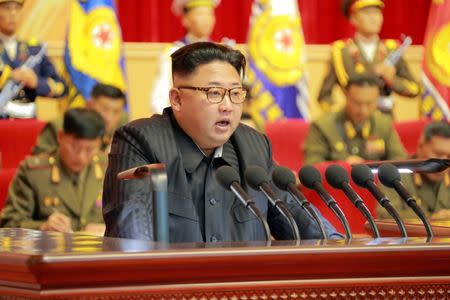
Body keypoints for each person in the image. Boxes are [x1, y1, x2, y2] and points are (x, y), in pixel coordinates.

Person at [103, 42, 341, 242]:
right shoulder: (140, 142)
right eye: (214, 93)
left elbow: (307, 227)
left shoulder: (254, 146)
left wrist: (339, 247)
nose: (227, 106)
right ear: (176, 99)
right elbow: (133, 242)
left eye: (235, 94)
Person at [0, 108, 107, 235]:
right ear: (60, 136)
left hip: (99, 251)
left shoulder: (109, 168)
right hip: (51, 251)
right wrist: (43, 227)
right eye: (75, 147)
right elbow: (9, 224)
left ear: (100, 144)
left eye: (90, 150)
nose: (81, 156)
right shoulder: (33, 172)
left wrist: (109, 229)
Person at [317, 0, 419, 115]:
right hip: (352, 120)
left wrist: (392, 79)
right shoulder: (341, 52)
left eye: (377, 13)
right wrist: (340, 117)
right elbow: (324, 96)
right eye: (367, 13)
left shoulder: (391, 50)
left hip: (384, 121)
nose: (374, 18)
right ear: (353, 18)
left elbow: (414, 89)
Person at [149, 0, 234, 114]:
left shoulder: (222, 53)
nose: (206, 19)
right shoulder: (174, 53)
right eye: (200, 14)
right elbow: (159, 99)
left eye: (209, 14)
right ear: (186, 20)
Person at [304, 74, 407, 165]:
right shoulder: (323, 126)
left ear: (377, 99)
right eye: (357, 103)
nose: (363, 110)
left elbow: (400, 160)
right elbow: (312, 166)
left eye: (369, 103)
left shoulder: (384, 124)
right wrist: (342, 165)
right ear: (346, 96)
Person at [0, 0, 67, 118]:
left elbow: (61, 88)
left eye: (17, 9)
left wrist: (36, 82)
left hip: (28, 123)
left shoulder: (34, 50)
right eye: (7, 8)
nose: (13, 13)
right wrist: (9, 76)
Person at [377, 122, 450, 220]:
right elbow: (385, 215)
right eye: (438, 154)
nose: (443, 163)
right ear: (420, 147)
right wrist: (431, 218)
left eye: (449, 157)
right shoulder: (394, 175)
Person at [32, 83, 126, 154]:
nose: (109, 118)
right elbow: (40, 163)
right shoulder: (62, 126)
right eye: (104, 109)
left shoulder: (123, 130)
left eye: (116, 112)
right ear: (89, 105)